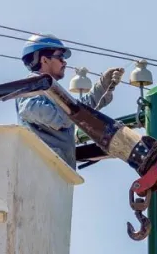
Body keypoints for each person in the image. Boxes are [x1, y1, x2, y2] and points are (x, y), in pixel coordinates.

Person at [15, 33, 124, 169]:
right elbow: (30, 110)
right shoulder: (30, 87)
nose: (64, 62)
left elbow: (80, 108)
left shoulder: (49, 89)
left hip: (58, 172)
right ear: (44, 60)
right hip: (42, 169)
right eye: (60, 57)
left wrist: (103, 86)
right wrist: (68, 114)